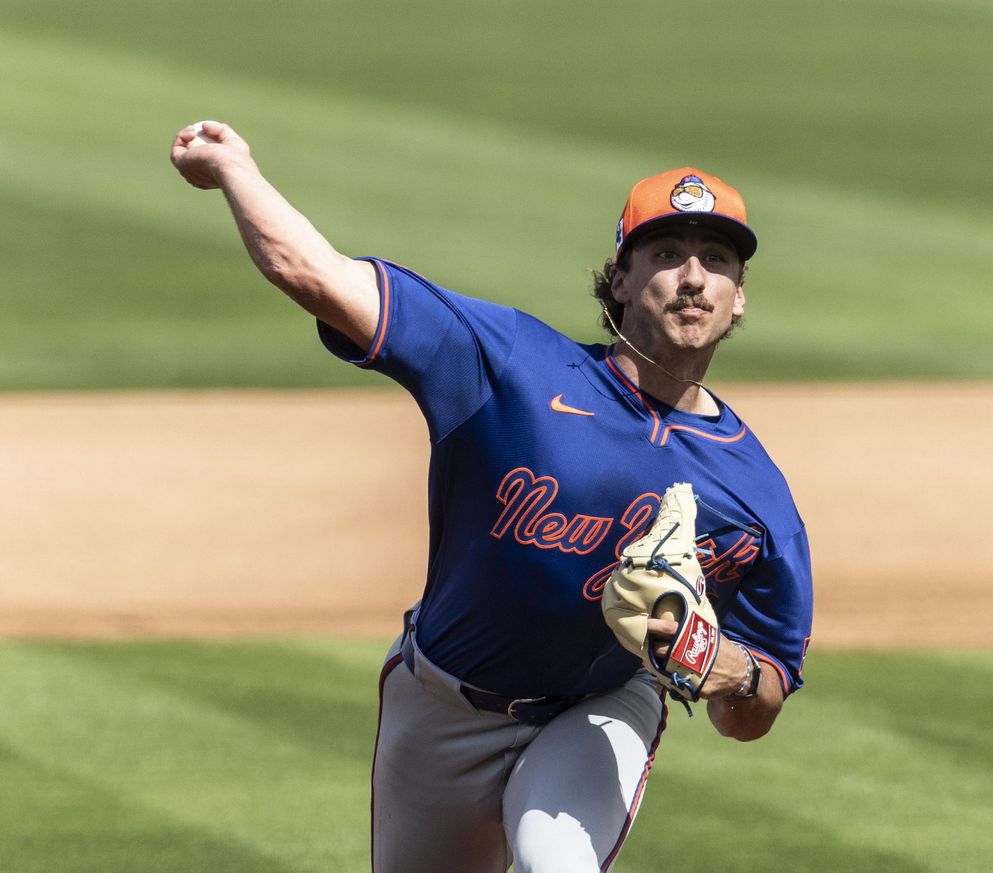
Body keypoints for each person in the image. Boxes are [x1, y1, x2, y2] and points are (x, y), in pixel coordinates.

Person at [170, 121, 814, 873]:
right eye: (666, 254)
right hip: (441, 705)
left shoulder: (756, 495)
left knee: (557, 863)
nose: (695, 276)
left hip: (598, 708)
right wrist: (235, 169)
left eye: (718, 260)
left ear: (738, 300)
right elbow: (313, 273)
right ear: (621, 282)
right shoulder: (508, 364)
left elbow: (755, 706)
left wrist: (727, 667)